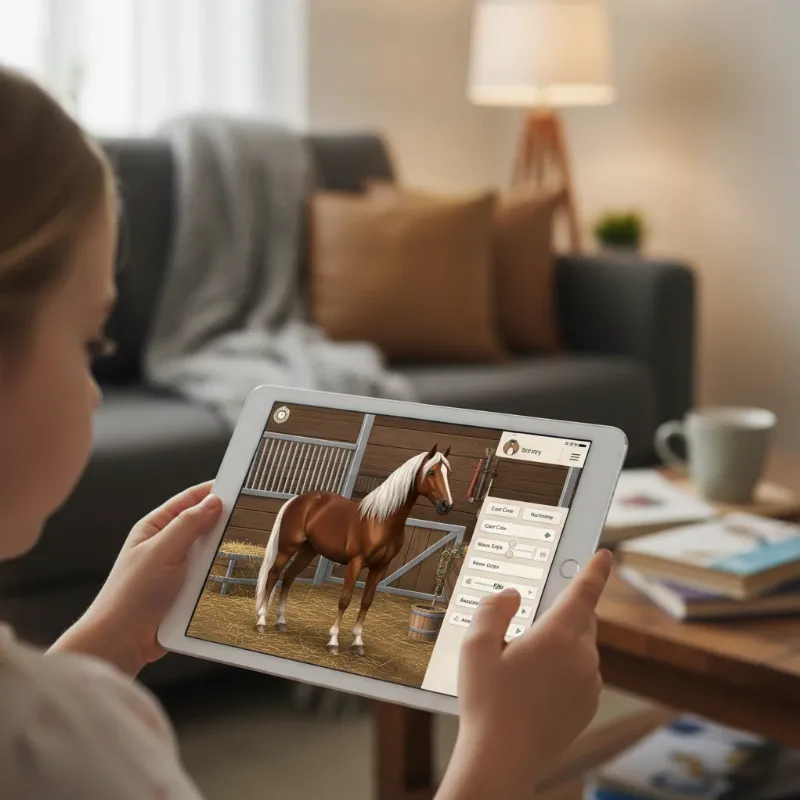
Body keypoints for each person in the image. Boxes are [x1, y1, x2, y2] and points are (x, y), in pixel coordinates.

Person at [0, 66, 613, 799]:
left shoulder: (48, 730)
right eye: (90, 341)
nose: (97, 386)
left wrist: (103, 641)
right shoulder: (82, 750)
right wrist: (501, 755)